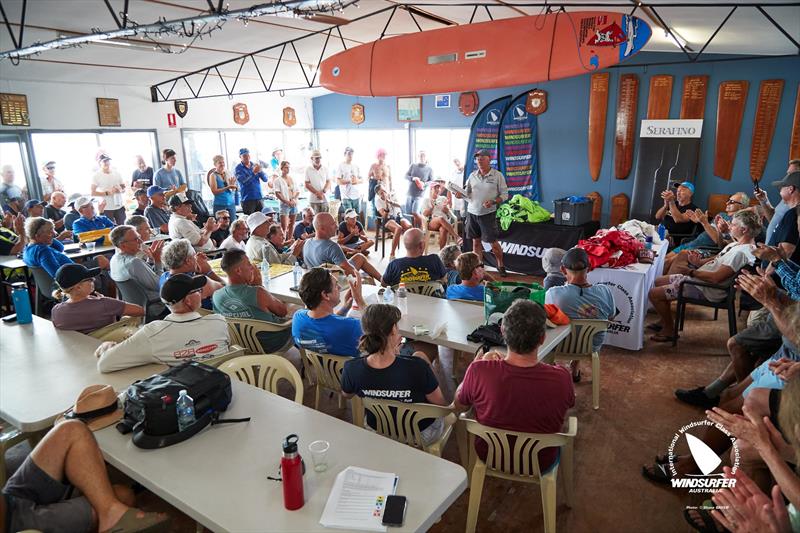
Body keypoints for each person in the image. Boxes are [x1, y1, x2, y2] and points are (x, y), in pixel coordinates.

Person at [453, 299, 575, 473]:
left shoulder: (479, 369)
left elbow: (459, 405)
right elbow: (568, 405)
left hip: (490, 454)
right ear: (542, 338)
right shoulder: (562, 377)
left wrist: (476, 365)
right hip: (540, 460)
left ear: (502, 331)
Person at [2, 418, 169, 532]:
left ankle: (110, 513)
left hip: (9, 501)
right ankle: (111, 515)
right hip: (11, 524)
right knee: (123, 496)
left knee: (71, 429)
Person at [647, 209, 762, 342]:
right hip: (700, 280)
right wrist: (698, 262)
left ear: (744, 230)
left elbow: (716, 278)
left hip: (707, 288)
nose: (730, 226)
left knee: (653, 294)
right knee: (659, 281)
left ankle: (669, 330)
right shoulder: (737, 244)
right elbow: (719, 257)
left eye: (734, 224)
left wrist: (689, 271)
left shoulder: (741, 253)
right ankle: (664, 320)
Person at [341, 304, 448, 443]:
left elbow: (347, 394)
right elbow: (440, 404)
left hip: (377, 430)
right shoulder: (417, 366)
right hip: (419, 434)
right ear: (393, 329)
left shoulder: (351, 368)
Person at [96, 274, 230, 372]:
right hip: (226, 387)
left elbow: (105, 364)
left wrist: (107, 348)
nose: (201, 293)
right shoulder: (219, 321)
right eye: (197, 291)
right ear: (188, 301)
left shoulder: (153, 334)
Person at [545, 247, 614, 380]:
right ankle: (575, 366)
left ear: (563, 270)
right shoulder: (605, 291)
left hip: (560, 346)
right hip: (591, 346)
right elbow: (610, 318)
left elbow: (547, 318)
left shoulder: (554, 293)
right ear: (589, 268)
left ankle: (554, 372)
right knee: (584, 334)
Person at [213, 249, 292, 353]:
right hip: (271, 343)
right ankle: (311, 357)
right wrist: (259, 286)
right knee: (300, 314)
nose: (252, 267)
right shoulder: (258, 292)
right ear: (238, 271)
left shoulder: (216, 296)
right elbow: (283, 312)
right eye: (248, 264)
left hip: (239, 344)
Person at [664, 191, 751, 275]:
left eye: (731, 202)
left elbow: (720, 243)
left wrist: (704, 223)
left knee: (667, 262)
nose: (727, 203)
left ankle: (657, 285)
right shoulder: (721, 214)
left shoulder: (738, 224)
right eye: (728, 200)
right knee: (664, 259)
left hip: (704, 248)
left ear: (741, 207)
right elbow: (708, 230)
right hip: (693, 242)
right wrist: (699, 221)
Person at [293, 266, 367, 357]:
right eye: (336, 285)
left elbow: (326, 323)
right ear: (325, 295)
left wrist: (345, 308)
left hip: (319, 368)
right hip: (346, 370)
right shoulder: (352, 326)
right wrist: (359, 299)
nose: (339, 287)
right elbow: (380, 328)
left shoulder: (298, 318)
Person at [51, 263, 144, 334]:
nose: (94, 280)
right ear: (78, 287)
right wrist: (106, 301)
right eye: (89, 279)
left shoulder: (56, 311)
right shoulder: (104, 304)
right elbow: (140, 311)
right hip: (108, 345)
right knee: (131, 318)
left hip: (78, 349)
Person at [457, 149, 508, 277]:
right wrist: (459, 194)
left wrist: (493, 201)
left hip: (488, 214)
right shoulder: (472, 175)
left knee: (493, 243)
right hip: (472, 213)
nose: (479, 161)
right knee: (476, 242)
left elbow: (505, 195)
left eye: (482, 158)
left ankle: (500, 265)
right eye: (477, 159)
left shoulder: (497, 175)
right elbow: (466, 192)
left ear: (489, 160)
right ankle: (478, 267)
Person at [302, 213, 382, 282]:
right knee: (368, 277)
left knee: (360, 257)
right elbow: (350, 272)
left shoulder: (307, 243)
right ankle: (384, 283)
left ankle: (382, 280)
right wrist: (362, 276)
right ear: (322, 229)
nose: (336, 226)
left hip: (315, 280)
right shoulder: (332, 247)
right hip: (331, 282)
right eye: (333, 224)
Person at [109, 224, 167, 318]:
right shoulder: (133, 262)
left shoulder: (114, 259)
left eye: (139, 237)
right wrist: (157, 261)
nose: (141, 241)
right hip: (155, 306)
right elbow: (159, 285)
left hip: (136, 306)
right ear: (123, 245)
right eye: (136, 239)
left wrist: (151, 260)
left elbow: (143, 276)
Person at [159, 238, 223, 309]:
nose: (196, 258)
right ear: (188, 261)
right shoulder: (197, 284)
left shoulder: (163, 277)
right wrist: (209, 272)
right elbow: (227, 290)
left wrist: (195, 269)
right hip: (207, 314)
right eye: (194, 256)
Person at [381, 228, 446, 287]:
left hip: (403, 300)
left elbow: (384, 284)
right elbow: (444, 280)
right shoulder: (434, 260)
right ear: (421, 245)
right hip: (431, 299)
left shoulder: (394, 265)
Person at [755, 159, 800, 244]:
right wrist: (764, 200)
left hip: (782, 253)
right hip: (771, 250)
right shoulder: (787, 198)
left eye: (790, 174)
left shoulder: (796, 202)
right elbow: (774, 220)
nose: (786, 177)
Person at [764, 171, 799, 261]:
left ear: (791, 189)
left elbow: (787, 251)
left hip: (776, 273)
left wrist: (766, 273)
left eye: (782, 187)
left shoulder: (792, 214)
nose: (780, 190)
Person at [374, 184, 412, 260]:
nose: (384, 193)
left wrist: (390, 201)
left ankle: (410, 251)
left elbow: (399, 205)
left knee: (409, 226)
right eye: (381, 193)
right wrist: (386, 206)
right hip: (387, 220)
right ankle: (392, 254)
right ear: (378, 194)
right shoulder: (378, 201)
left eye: (384, 191)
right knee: (399, 228)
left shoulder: (391, 195)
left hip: (397, 217)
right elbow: (384, 216)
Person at [419, 181, 461, 249]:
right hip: (432, 222)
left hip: (444, 222)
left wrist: (445, 208)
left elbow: (448, 212)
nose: (437, 190)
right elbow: (424, 214)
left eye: (438, 188)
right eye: (435, 188)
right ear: (431, 189)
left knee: (443, 229)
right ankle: (456, 237)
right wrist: (431, 207)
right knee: (440, 218)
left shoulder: (443, 198)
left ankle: (442, 253)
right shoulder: (426, 200)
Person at [91, 153, 127, 225]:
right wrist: (107, 193)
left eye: (108, 161)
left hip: (119, 205)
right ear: (99, 163)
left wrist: (120, 189)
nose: (107, 163)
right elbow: (92, 192)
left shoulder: (116, 172)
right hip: (107, 208)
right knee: (110, 228)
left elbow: (123, 186)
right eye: (104, 161)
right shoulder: (96, 175)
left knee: (123, 228)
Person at [235, 147, 268, 215]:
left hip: (259, 197)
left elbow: (265, 179)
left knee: (261, 220)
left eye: (248, 155)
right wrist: (254, 173)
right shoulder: (238, 168)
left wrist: (260, 170)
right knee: (249, 221)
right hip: (247, 199)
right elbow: (244, 182)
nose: (247, 157)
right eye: (244, 156)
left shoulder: (254, 165)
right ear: (240, 157)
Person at [206, 155, 237, 220]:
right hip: (220, 204)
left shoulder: (227, 173)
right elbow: (214, 192)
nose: (222, 164)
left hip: (231, 203)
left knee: (233, 225)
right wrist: (227, 187)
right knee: (221, 226)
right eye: (220, 163)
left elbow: (232, 189)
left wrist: (232, 187)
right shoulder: (213, 175)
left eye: (223, 162)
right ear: (215, 164)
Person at [404, 150, 433, 218]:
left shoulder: (429, 169)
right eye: (420, 156)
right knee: (407, 214)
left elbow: (431, 181)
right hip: (409, 193)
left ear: (426, 157)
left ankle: (417, 228)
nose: (422, 157)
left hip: (419, 195)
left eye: (423, 156)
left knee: (415, 213)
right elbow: (405, 176)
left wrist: (424, 183)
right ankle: (409, 228)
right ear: (418, 157)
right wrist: (413, 178)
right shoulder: (413, 165)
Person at [274, 160, 300, 235]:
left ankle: (290, 241)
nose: (287, 169)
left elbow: (297, 191)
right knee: (284, 226)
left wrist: (293, 199)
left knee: (292, 224)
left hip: (293, 203)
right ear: (281, 168)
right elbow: (277, 193)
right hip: (284, 204)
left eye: (288, 168)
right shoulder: (277, 180)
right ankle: (283, 241)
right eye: (286, 167)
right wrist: (287, 202)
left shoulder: (292, 179)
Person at [335, 147, 362, 215]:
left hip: (356, 195)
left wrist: (357, 181)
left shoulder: (356, 166)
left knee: (357, 217)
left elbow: (362, 179)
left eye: (352, 154)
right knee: (349, 217)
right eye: (349, 154)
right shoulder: (341, 165)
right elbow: (338, 181)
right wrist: (349, 181)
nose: (351, 156)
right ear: (345, 154)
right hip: (346, 196)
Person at [304, 150, 330, 214]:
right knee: (314, 220)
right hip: (313, 200)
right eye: (316, 158)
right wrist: (317, 193)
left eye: (319, 158)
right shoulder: (308, 169)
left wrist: (323, 192)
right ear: (312, 158)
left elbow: (328, 182)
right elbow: (306, 184)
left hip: (325, 199)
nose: (318, 160)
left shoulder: (325, 168)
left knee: (325, 218)